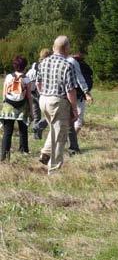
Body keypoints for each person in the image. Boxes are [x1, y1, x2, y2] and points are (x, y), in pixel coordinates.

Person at [36, 36, 78, 175]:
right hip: (58, 101)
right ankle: (53, 169)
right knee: (61, 135)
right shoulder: (67, 65)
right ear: (66, 48)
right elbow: (70, 90)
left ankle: (45, 153)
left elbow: (38, 83)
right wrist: (74, 109)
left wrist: (45, 93)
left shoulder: (43, 62)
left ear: (54, 47)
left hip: (43, 100)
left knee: (55, 129)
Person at [0, 56, 33, 161]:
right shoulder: (27, 79)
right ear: (25, 66)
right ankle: (24, 150)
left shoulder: (9, 77)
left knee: (7, 132)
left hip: (8, 107)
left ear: (14, 65)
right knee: (23, 130)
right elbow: (28, 96)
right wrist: (31, 110)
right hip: (22, 106)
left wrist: (4, 103)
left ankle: (4, 155)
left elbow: (4, 93)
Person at [67, 53, 93, 155]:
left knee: (67, 119)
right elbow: (83, 79)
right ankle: (73, 140)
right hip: (80, 96)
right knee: (79, 120)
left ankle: (71, 141)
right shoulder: (85, 67)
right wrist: (87, 93)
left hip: (68, 95)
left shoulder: (68, 64)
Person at [26, 48, 51, 139]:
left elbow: (27, 79)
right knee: (50, 114)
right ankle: (38, 127)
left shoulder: (34, 66)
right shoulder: (47, 66)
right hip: (41, 93)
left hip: (32, 93)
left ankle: (36, 136)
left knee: (37, 116)